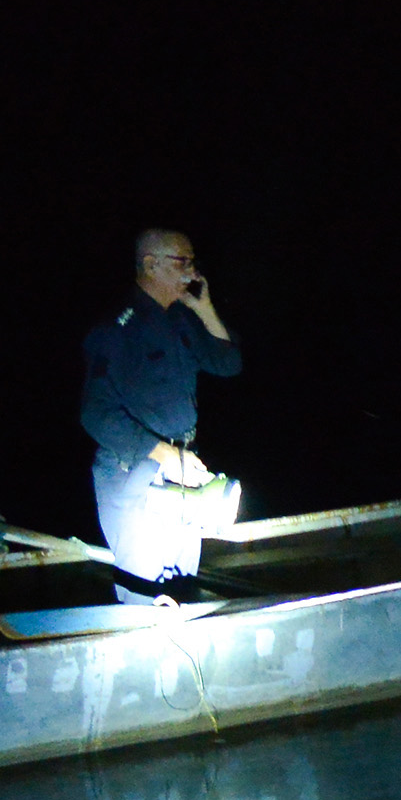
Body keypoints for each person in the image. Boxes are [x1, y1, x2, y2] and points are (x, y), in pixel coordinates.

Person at [80, 229, 242, 586]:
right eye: (183, 262)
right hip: (136, 470)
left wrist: (205, 309)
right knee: (146, 593)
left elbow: (228, 364)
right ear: (151, 264)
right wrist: (165, 455)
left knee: (183, 585)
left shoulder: (181, 318)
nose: (193, 272)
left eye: (193, 262)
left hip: (185, 469)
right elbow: (95, 412)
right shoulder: (118, 328)